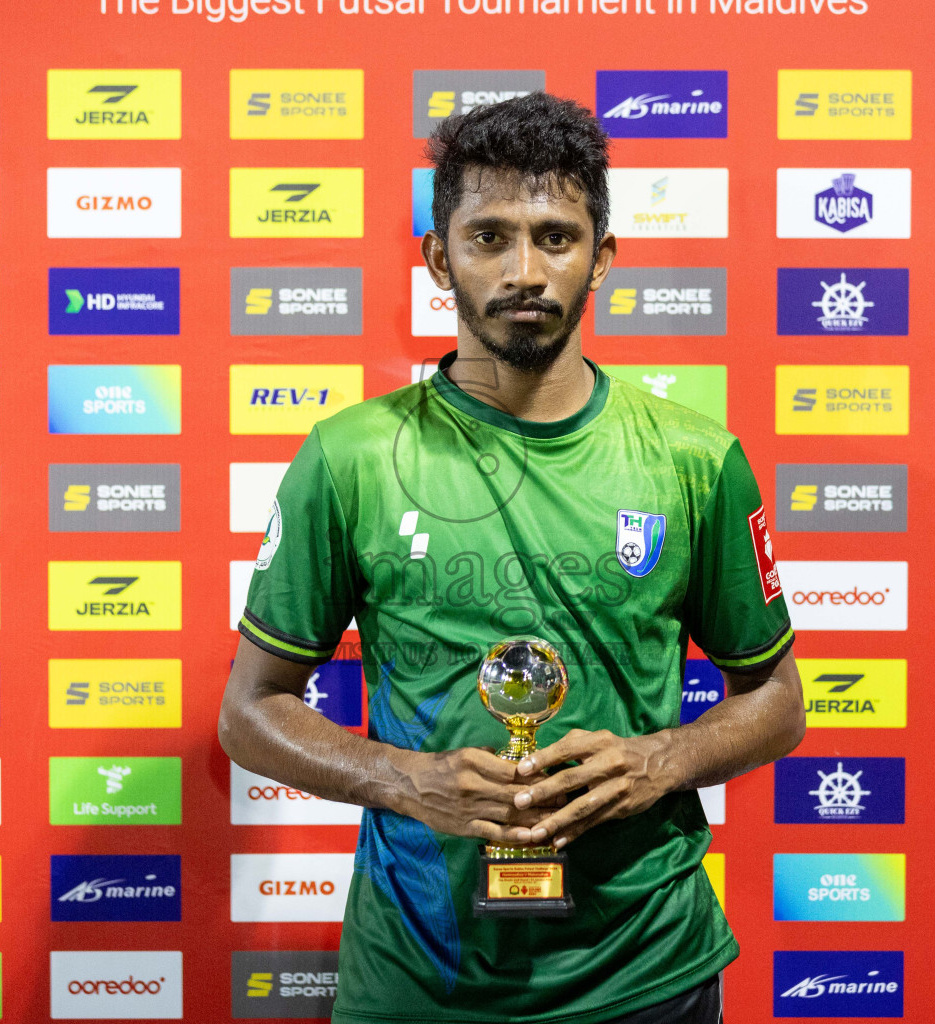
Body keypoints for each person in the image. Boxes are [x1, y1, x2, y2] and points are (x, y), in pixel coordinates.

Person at [219, 92, 804, 1024]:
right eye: (489, 236)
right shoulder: (351, 457)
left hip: (645, 970)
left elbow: (777, 701)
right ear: (438, 257)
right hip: (420, 978)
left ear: (602, 260)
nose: (525, 269)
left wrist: (658, 761)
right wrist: (399, 777)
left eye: (556, 236)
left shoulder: (697, 460)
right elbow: (250, 713)